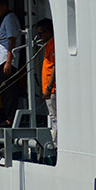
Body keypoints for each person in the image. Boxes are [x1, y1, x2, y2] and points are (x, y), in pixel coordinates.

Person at [0, 0, 21, 125]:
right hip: (1, 60)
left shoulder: (9, 18)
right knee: (3, 91)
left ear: (4, 6)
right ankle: (5, 116)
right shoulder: (5, 19)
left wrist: (9, 61)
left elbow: (12, 39)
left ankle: (11, 118)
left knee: (9, 91)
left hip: (6, 60)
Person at [36, 18, 57, 146]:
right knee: (53, 117)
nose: (40, 36)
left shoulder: (53, 44)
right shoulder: (49, 44)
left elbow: (55, 66)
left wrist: (49, 87)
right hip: (49, 89)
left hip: (52, 89)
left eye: (42, 33)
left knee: (54, 118)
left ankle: (56, 145)